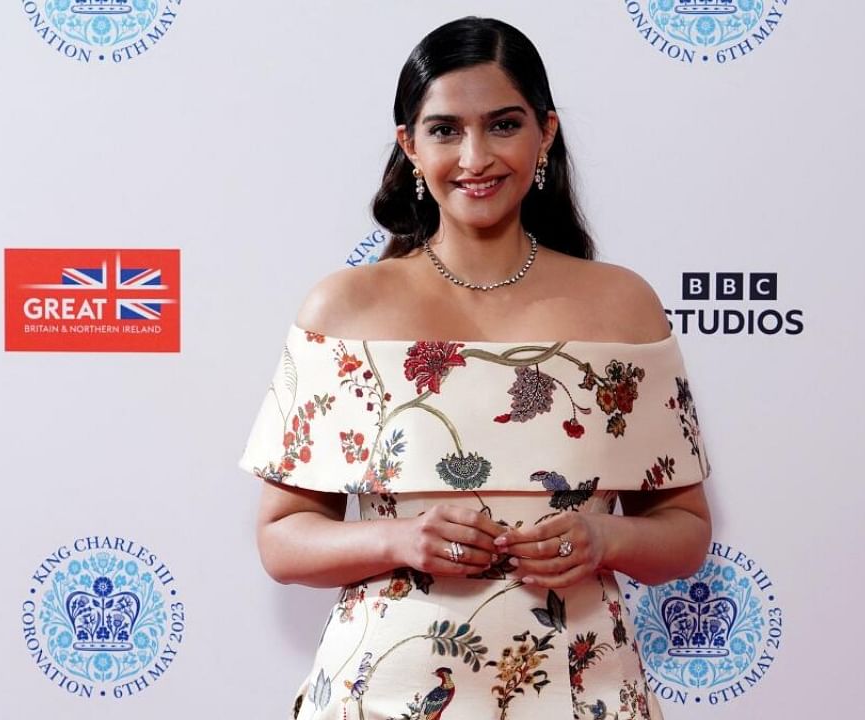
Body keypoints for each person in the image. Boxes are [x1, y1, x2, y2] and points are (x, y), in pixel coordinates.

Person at [240, 16, 713, 720]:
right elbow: (282, 538)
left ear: (544, 133)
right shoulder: (344, 308)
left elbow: (685, 528)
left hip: (582, 693)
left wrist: (604, 537)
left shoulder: (623, 306)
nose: (475, 156)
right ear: (409, 144)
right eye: (444, 130)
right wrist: (401, 538)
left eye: (503, 125)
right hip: (382, 695)